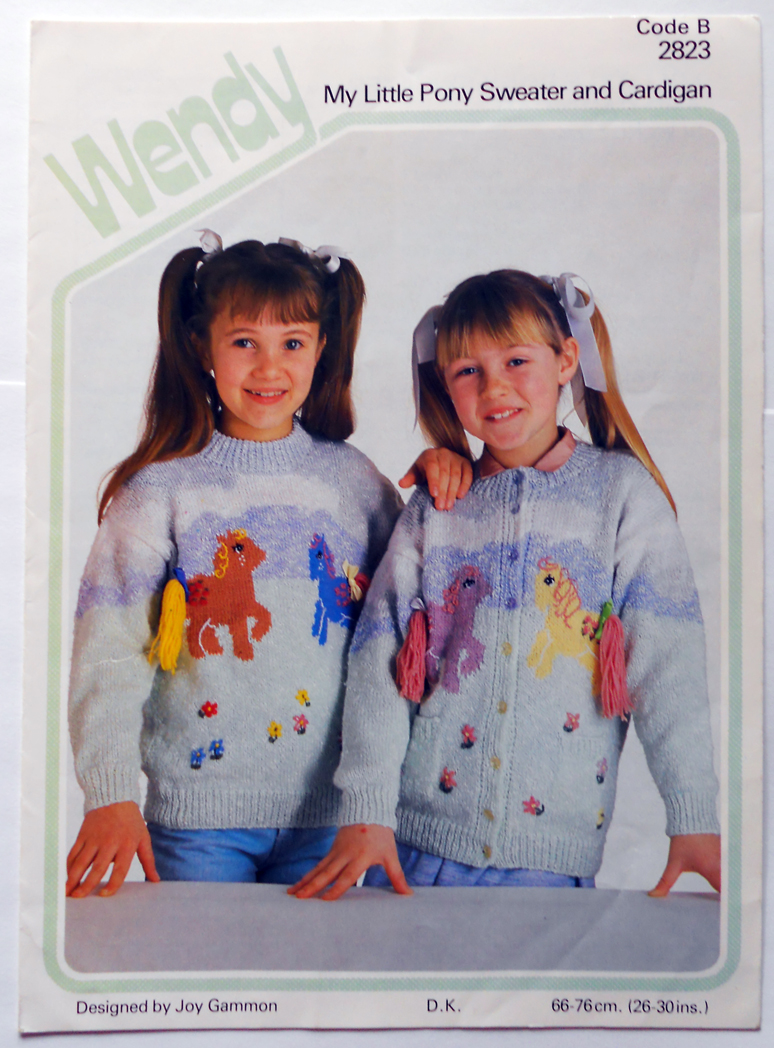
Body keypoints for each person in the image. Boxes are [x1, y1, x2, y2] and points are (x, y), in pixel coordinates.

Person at [290, 269, 721, 901]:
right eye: (468, 370)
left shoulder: (623, 498)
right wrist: (367, 809)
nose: (494, 387)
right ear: (445, 383)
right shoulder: (436, 506)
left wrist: (693, 817)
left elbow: (669, 668)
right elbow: (380, 666)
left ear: (566, 359)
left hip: (550, 864)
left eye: (516, 361)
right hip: (412, 852)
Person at [66, 232, 471, 898]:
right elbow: (108, 652)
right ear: (201, 346)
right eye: (244, 342)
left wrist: (445, 475)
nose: (269, 367)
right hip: (198, 824)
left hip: (335, 824)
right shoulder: (160, 491)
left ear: (321, 349)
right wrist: (109, 792)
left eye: (292, 343)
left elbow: (421, 615)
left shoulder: (355, 484)